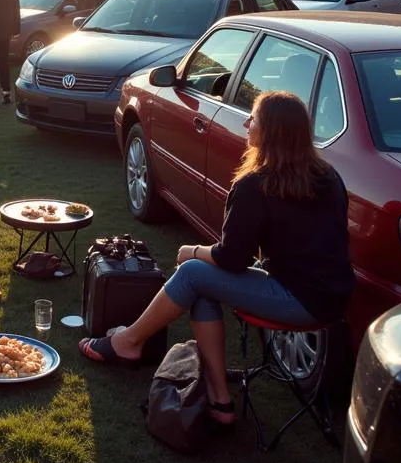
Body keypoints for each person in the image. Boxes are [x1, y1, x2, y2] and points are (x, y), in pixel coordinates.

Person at [78, 91, 355, 425]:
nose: (246, 124)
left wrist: (193, 250)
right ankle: (220, 402)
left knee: (194, 271)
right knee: (203, 285)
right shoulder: (329, 177)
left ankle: (129, 341)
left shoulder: (257, 185)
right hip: (335, 300)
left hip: (297, 298)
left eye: (253, 119)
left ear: (268, 132)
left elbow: (233, 259)